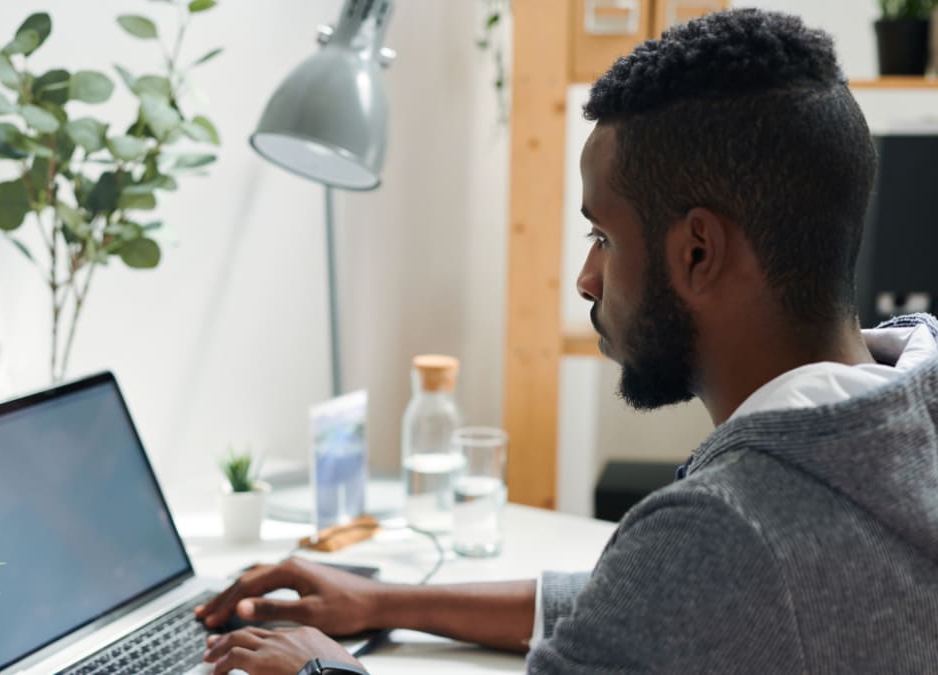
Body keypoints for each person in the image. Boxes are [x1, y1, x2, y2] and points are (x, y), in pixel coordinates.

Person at [195, 8, 938, 674]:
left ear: (699, 251)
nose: (586, 279)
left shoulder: (729, 529)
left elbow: (688, 580)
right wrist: (384, 600)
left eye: (603, 236)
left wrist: (326, 671)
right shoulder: (909, 403)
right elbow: (653, 605)